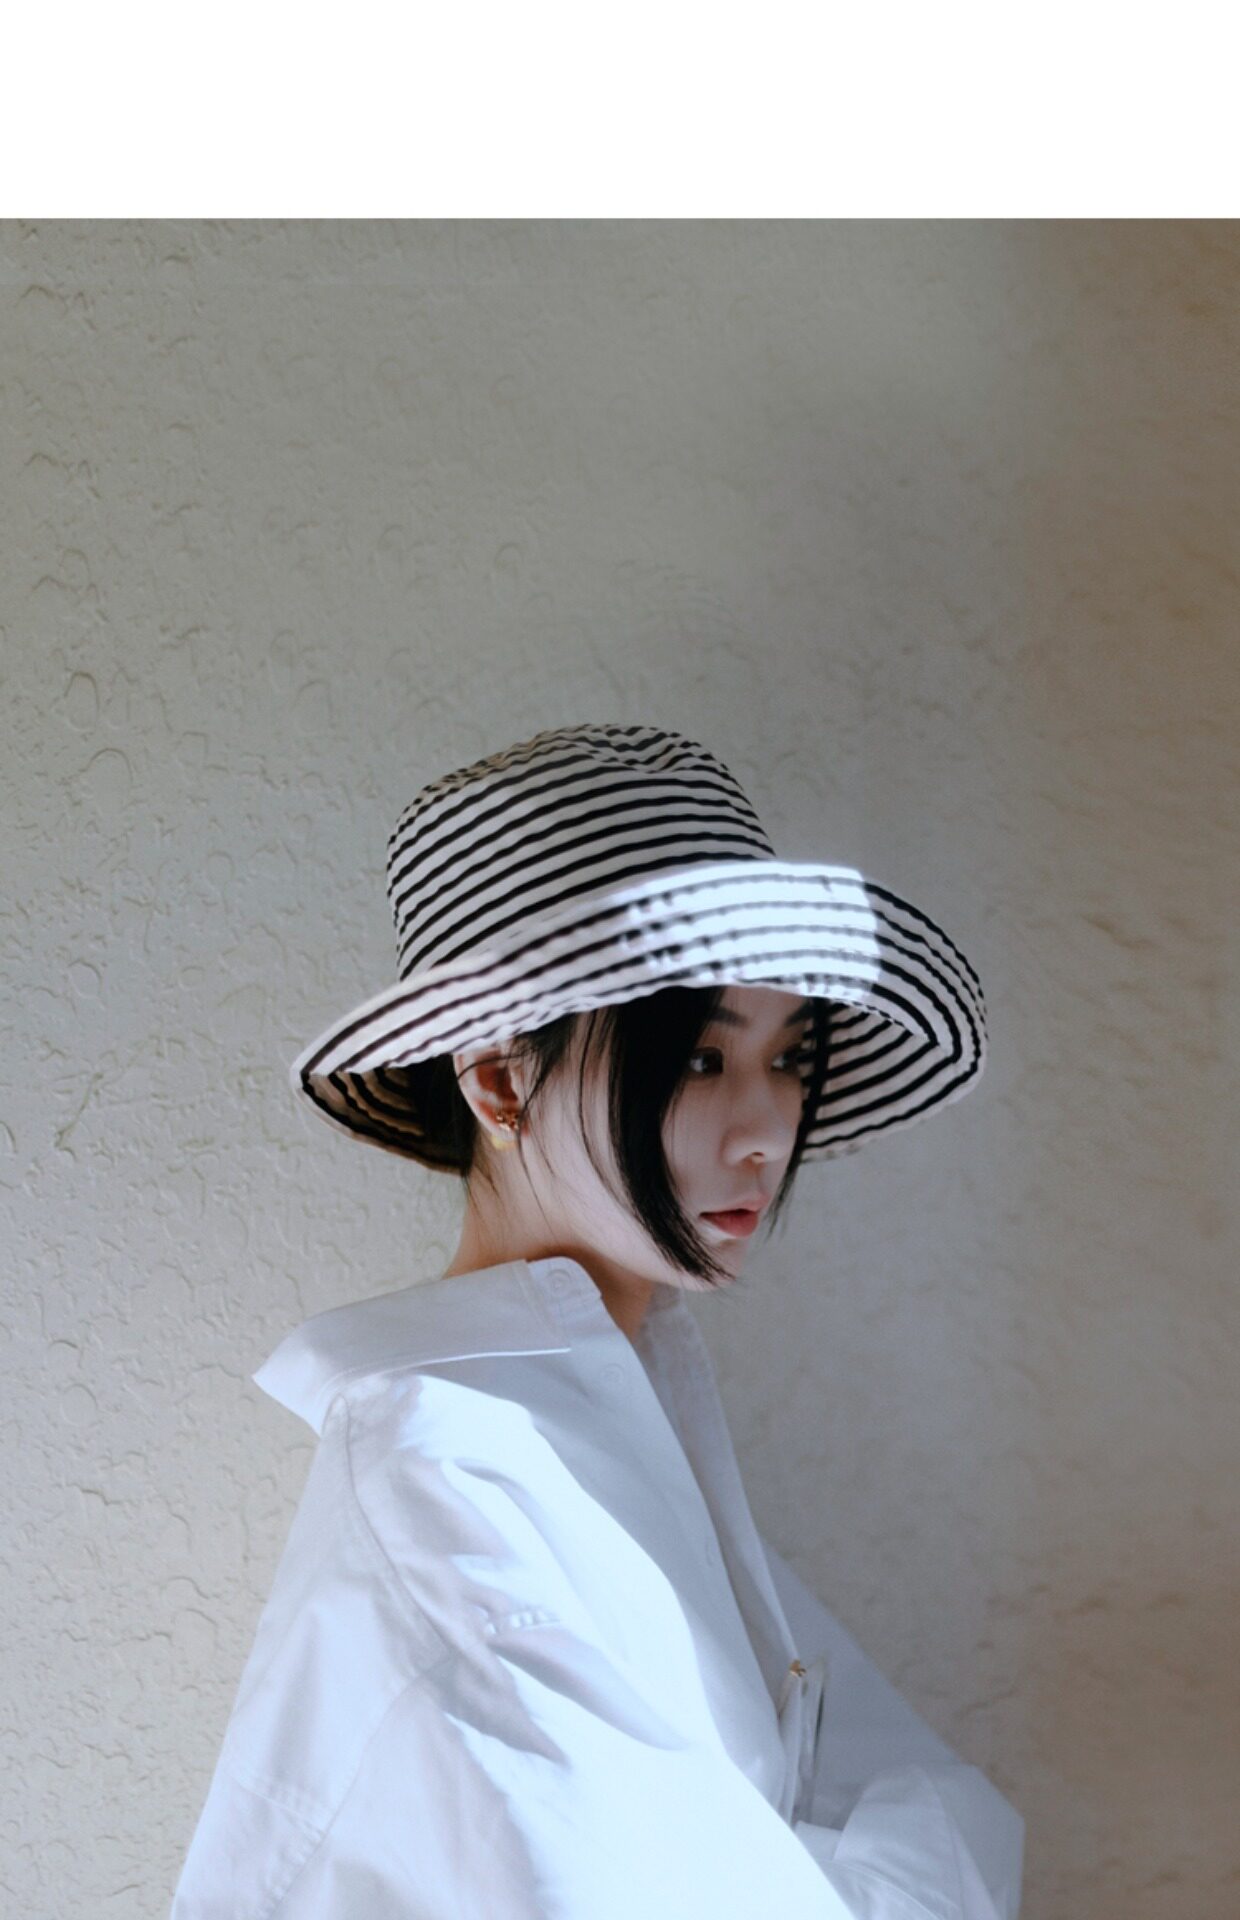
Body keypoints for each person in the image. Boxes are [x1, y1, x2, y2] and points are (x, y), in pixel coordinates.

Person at [168, 722, 1024, 1918]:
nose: (765, 1130)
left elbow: (937, 1807)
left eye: (788, 1056)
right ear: (499, 1079)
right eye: (698, 1060)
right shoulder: (451, 1471)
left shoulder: (609, 1406)